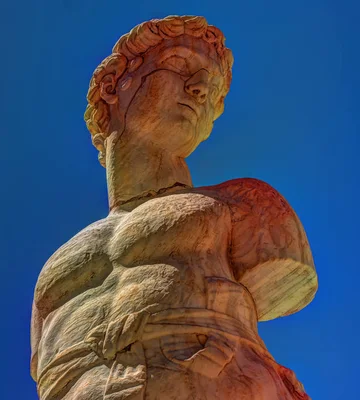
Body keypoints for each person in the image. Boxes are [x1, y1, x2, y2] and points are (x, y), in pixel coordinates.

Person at [30, 15, 317, 400]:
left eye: (212, 88)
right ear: (115, 85)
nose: (199, 89)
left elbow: (284, 284)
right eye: (180, 66)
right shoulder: (57, 264)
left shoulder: (246, 202)